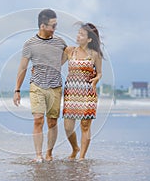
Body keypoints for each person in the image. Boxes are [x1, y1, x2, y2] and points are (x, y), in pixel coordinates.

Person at [13, 9, 67, 162]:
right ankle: (38, 156)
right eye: (53, 25)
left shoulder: (60, 42)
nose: (55, 28)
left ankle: (49, 154)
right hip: (37, 86)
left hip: (55, 86)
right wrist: (17, 89)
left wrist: (56, 65)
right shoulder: (29, 44)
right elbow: (22, 68)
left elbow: (69, 53)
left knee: (52, 122)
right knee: (38, 120)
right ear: (43, 26)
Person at [62, 22, 103, 160]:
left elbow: (99, 73)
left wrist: (96, 79)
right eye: (78, 33)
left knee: (85, 126)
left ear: (89, 39)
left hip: (88, 94)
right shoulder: (70, 50)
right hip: (71, 94)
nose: (78, 36)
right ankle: (75, 148)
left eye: (81, 34)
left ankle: (81, 157)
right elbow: (56, 63)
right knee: (68, 127)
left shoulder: (95, 54)